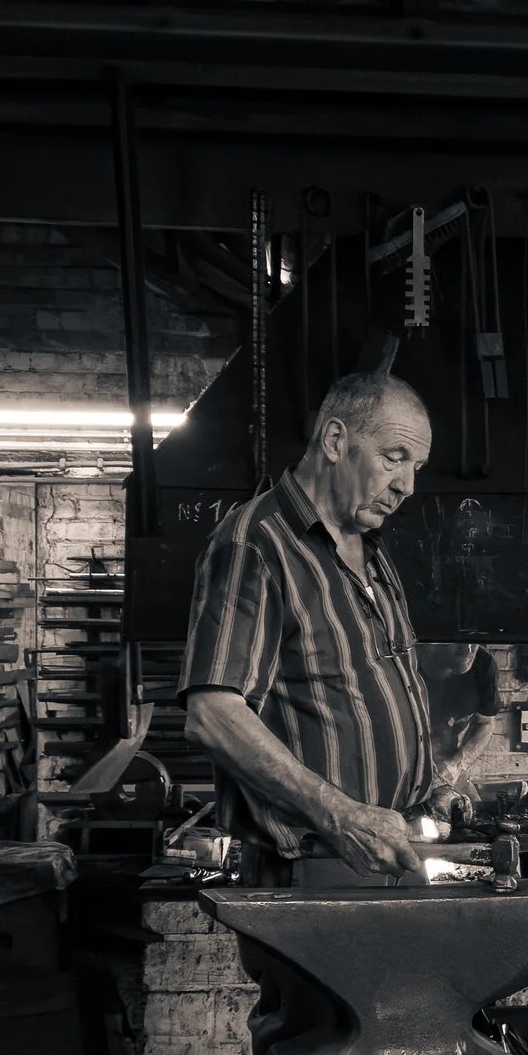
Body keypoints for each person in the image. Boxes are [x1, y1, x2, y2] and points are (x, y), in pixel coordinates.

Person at [180, 370, 439, 885]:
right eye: (395, 457)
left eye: (416, 466)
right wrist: (340, 816)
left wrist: (428, 786)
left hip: (385, 849)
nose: (407, 485)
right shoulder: (256, 545)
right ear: (336, 440)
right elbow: (212, 712)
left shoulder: (368, 548)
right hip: (314, 863)